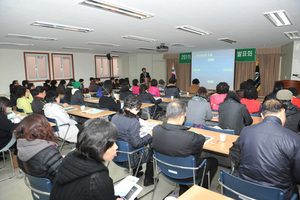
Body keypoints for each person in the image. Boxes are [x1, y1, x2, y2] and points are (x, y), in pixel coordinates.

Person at [238, 99, 300, 200]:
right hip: (277, 194)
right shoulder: (295, 139)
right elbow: (298, 176)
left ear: (262, 115)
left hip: (245, 187)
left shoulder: (245, 131)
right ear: (283, 113)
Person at [152, 100, 218, 195]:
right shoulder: (190, 137)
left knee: (178, 155)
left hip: (165, 169)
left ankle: (183, 188)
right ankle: (202, 191)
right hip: (187, 174)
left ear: (166, 114)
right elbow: (201, 140)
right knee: (213, 161)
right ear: (182, 115)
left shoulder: (156, 130)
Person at [50, 119, 122, 200]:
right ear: (98, 147)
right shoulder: (98, 180)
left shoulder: (70, 157)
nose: (116, 147)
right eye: (112, 144)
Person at [111, 95, 154, 186]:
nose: (138, 111)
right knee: (151, 152)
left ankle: (137, 172)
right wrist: (149, 135)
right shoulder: (133, 122)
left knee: (133, 145)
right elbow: (137, 143)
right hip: (130, 158)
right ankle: (148, 179)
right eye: (138, 109)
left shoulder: (115, 117)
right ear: (134, 107)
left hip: (116, 154)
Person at [16, 114, 63, 183]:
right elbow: (64, 175)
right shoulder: (49, 152)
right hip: (55, 187)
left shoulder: (20, 148)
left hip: (39, 186)